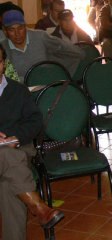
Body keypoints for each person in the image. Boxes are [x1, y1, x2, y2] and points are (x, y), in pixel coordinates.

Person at [0, 43, 65, 239]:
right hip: (11, 158)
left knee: (7, 184)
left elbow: (35, 121)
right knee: (6, 156)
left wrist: (17, 136)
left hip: (18, 150)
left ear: (2, 64)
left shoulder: (18, 90)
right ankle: (40, 208)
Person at [1, 10, 84, 81]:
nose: (17, 34)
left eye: (20, 28)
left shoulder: (40, 37)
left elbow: (69, 49)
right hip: (22, 93)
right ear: (5, 31)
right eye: (12, 30)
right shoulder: (3, 49)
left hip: (48, 88)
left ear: (25, 27)